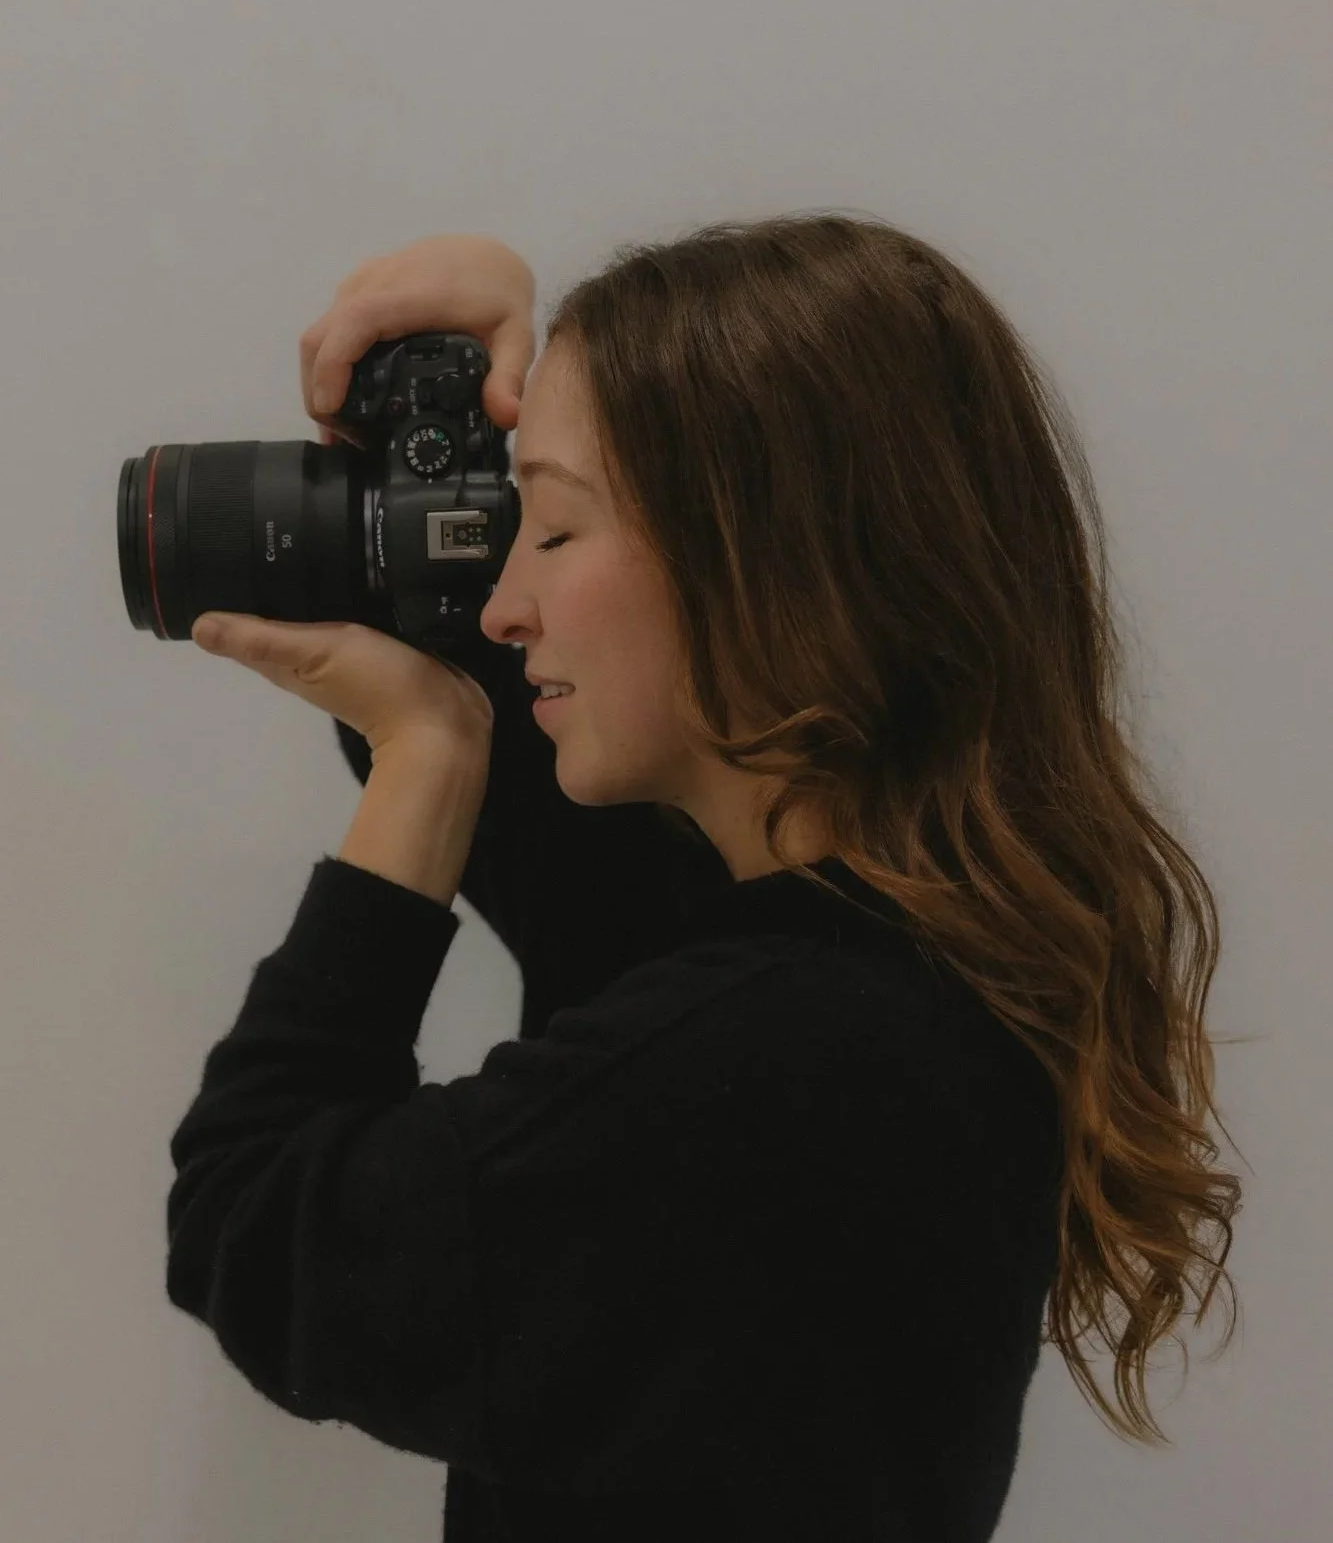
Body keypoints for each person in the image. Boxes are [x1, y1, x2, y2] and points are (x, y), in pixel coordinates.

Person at [166, 215, 1241, 1543]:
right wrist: (448, 406)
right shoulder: (897, 977)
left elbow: (260, 1223)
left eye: (553, 532)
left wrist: (424, 761)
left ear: (771, 568)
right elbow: (585, 882)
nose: (506, 603)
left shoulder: (780, 1063)